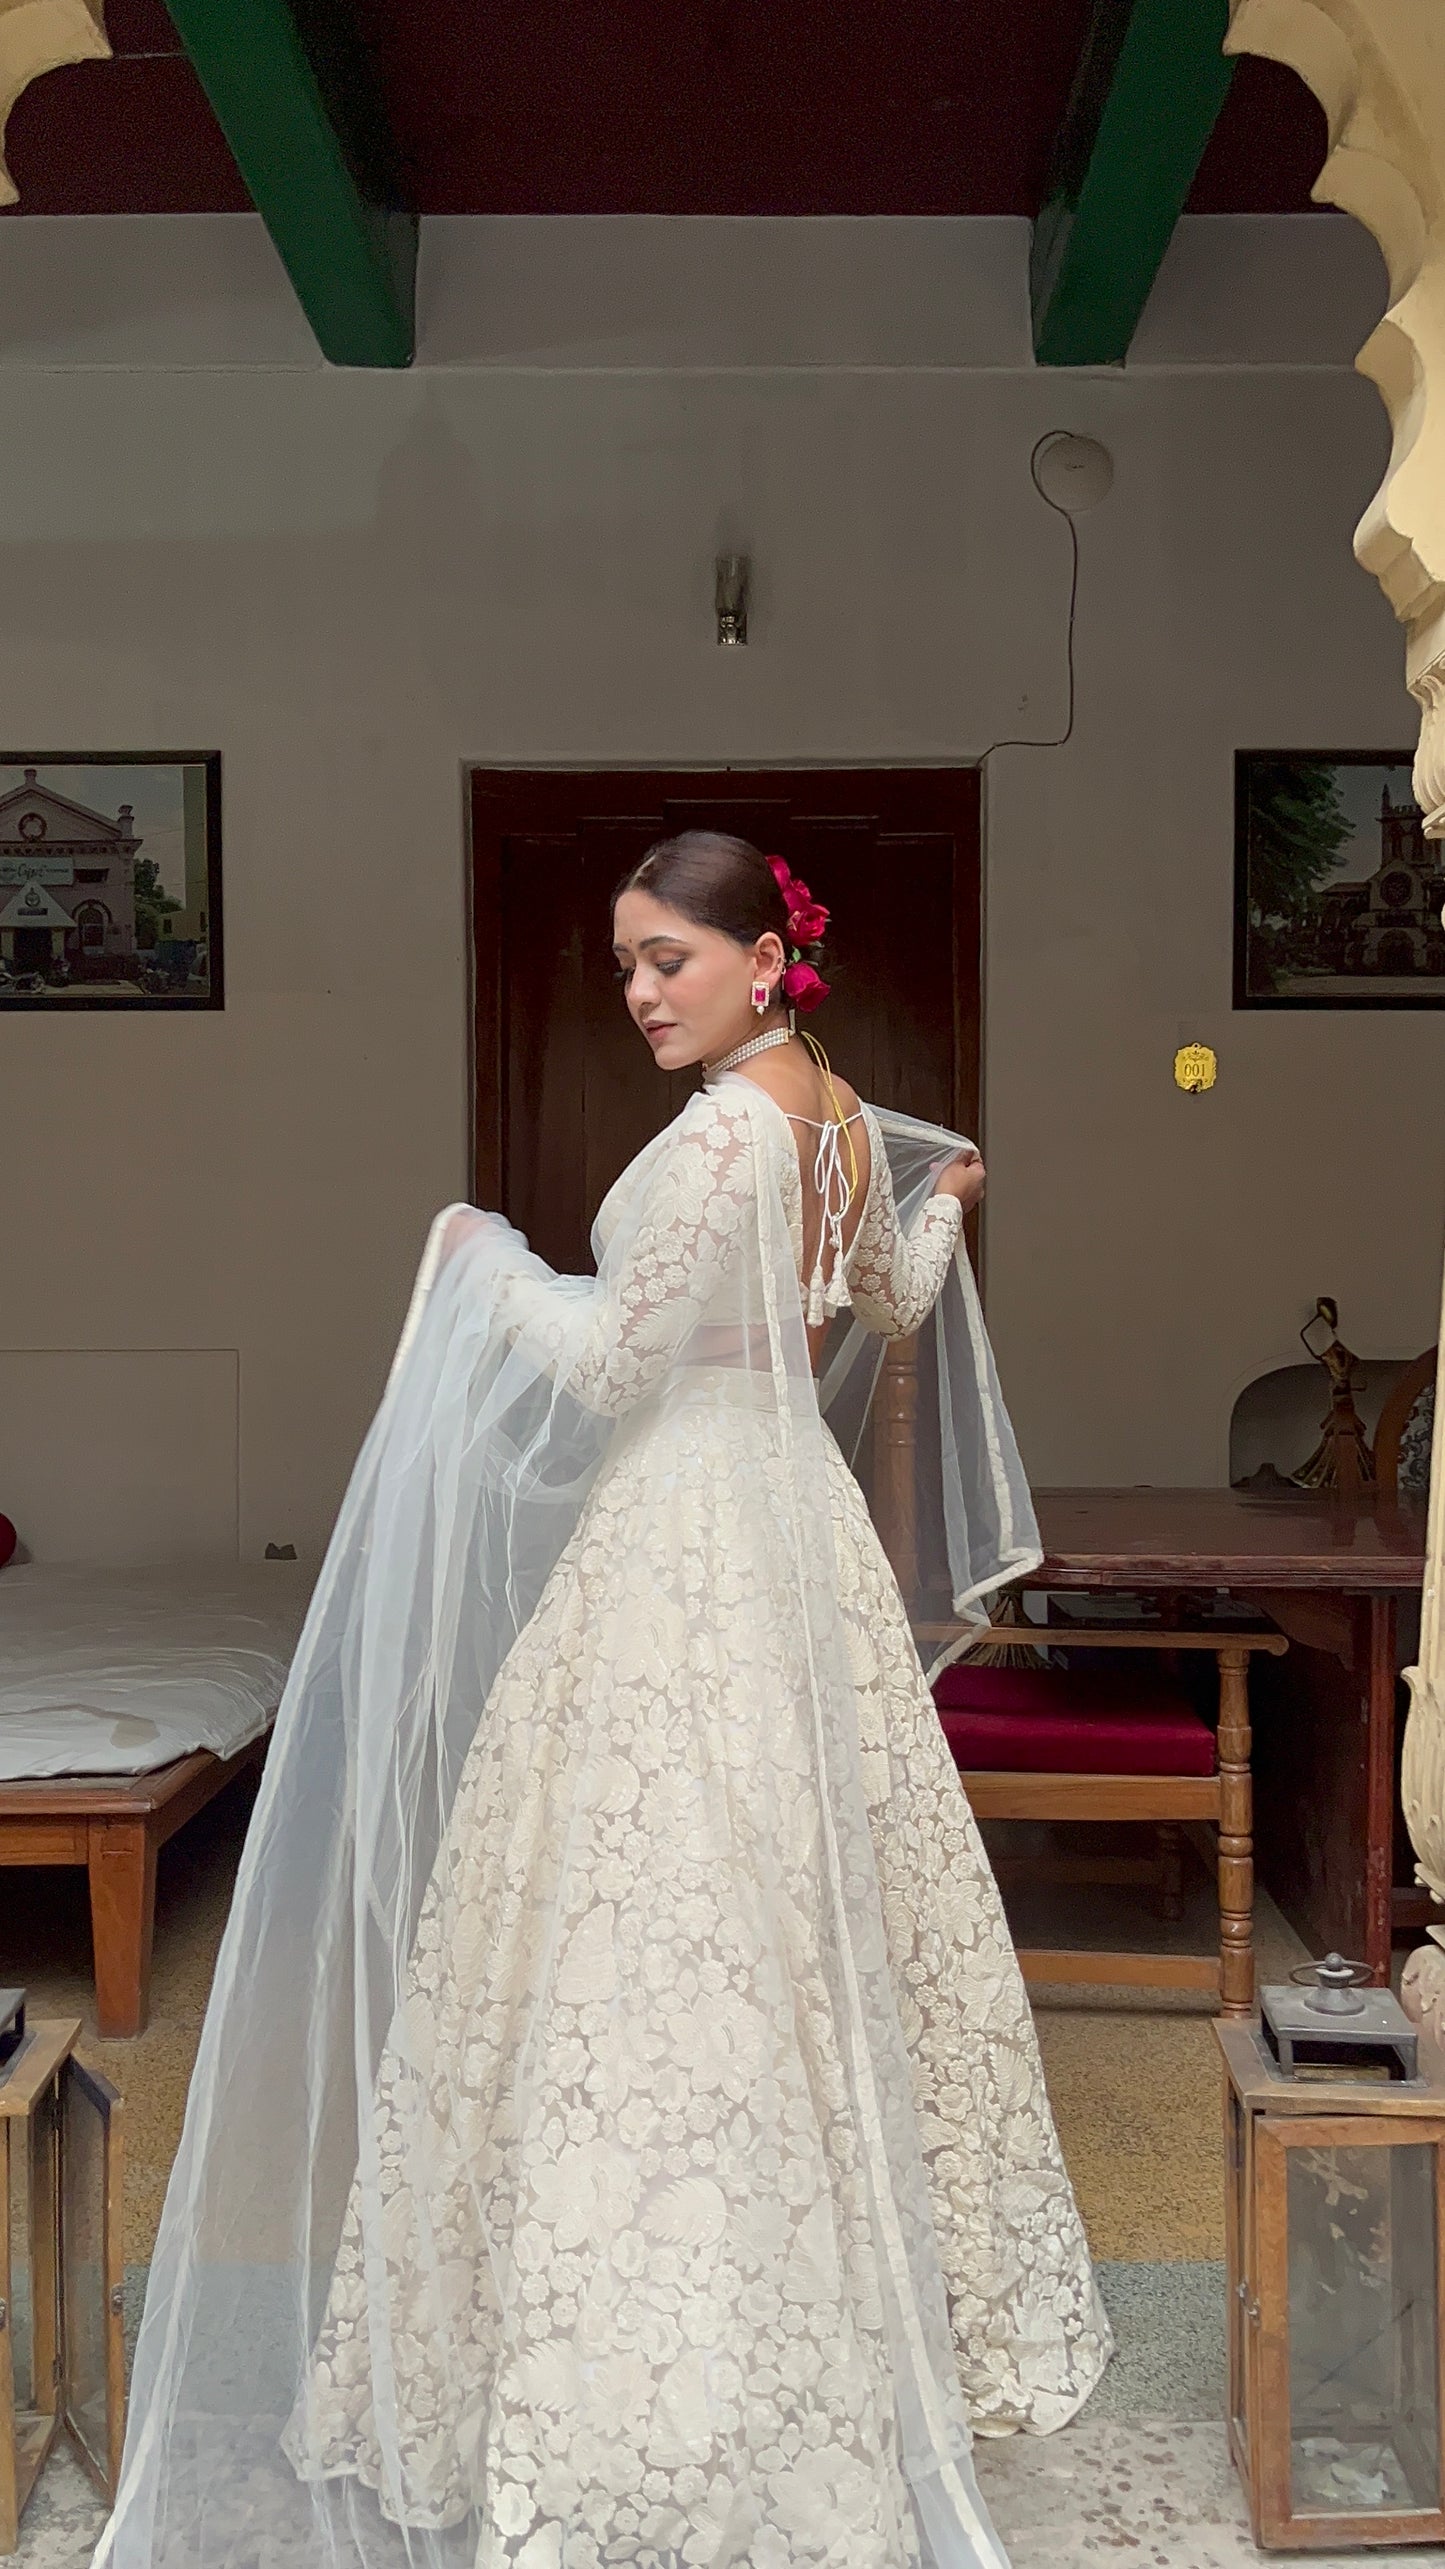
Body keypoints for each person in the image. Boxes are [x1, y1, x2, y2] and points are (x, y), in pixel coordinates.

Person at [96, 832, 1109, 2569]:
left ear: (762, 958)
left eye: (667, 958)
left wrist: (481, 1260)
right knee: (786, 1918)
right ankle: (813, 2334)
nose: (639, 990)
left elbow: (617, 1363)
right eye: (626, 962)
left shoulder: (725, 1132)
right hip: (791, 1528)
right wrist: (945, 1199)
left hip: (689, 1528)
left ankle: (655, 2391)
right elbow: (892, 1297)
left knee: (646, 1929)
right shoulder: (836, 1116)